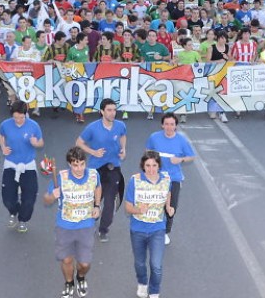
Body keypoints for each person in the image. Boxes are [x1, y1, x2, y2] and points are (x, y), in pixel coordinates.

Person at [44, 147, 102, 298]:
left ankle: (80, 277)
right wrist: (53, 196)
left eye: (82, 164)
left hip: (86, 226)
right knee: (67, 259)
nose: (79, 168)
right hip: (65, 226)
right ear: (69, 164)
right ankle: (69, 283)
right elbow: (46, 199)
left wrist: (97, 205)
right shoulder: (61, 178)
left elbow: (98, 188)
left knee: (84, 264)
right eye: (75, 165)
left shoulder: (94, 175)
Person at [76, 98, 127, 243]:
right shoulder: (92, 127)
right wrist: (93, 152)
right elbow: (78, 143)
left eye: (114, 110)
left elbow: (123, 136)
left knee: (110, 203)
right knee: (93, 200)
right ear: (102, 111)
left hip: (113, 168)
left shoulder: (120, 125)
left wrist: (123, 149)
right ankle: (88, 224)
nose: (112, 113)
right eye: (109, 110)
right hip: (96, 170)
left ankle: (103, 229)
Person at [125, 150, 175, 298]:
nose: (151, 169)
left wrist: (168, 206)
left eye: (154, 165)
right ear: (143, 166)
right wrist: (138, 210)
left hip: (157, 229)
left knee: (156, 266)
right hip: (138, 229)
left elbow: (168, 193)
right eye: (148, 165)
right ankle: (142, 283)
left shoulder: (166, 179)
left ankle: (154, 290)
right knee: (140, 263)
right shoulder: (135, 181)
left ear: (159, 165)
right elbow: (127, 208)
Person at [144, 113, 194, 245]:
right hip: (156, 177)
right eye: (166, 124)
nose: (169, 127)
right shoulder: (154, 137)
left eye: (172, 124)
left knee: (171, 207)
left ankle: (165, 232)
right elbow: (147, 151)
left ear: (176, 126)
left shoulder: (181, 140)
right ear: (162, 125)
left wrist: (181, 159)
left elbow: (191, 156)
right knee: (154, 204)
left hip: (174, 178)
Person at [0, 100, 45, 233]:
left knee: (29, 198)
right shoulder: (5, 125)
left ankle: (23, 219)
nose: (18, 120)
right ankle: (13, 212)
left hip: (28, 165)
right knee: (7, 198)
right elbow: (0, 135)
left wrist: (36, 144)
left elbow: (41, 142)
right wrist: (3, 147)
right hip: (10, 164)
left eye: (21, 117)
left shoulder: (33, 126)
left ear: (26, 114)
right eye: (15, 117)